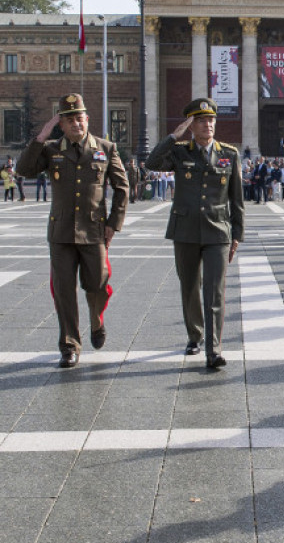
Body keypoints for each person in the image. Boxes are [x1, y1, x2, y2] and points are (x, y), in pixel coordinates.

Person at [16, 94, 129, 367]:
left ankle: (97, 320)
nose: (76, 124)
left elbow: (122, 187)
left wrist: (113, 224)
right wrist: (41, 136)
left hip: (94, 231)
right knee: (64, 291)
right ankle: (69, 345)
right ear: (62, 125)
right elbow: (24, 169)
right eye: (69, 120)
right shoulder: (51, 149)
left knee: (98, 285)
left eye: (80, 118)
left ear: (87, 119)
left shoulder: (105, 148)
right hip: (61, 232)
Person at [147, 98, 244, 369]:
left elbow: (237, 199)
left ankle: (214, 349)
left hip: (218, 231)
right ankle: (195, 335)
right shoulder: (180, 152)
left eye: (211, 120)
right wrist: (172, 137)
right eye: (201, 120)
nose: (208, 125)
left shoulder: (229, 154)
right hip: (185, 230)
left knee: (215, 291)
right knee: (189, 287)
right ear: (191, 125)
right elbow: (152, 163)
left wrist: (237, 234)